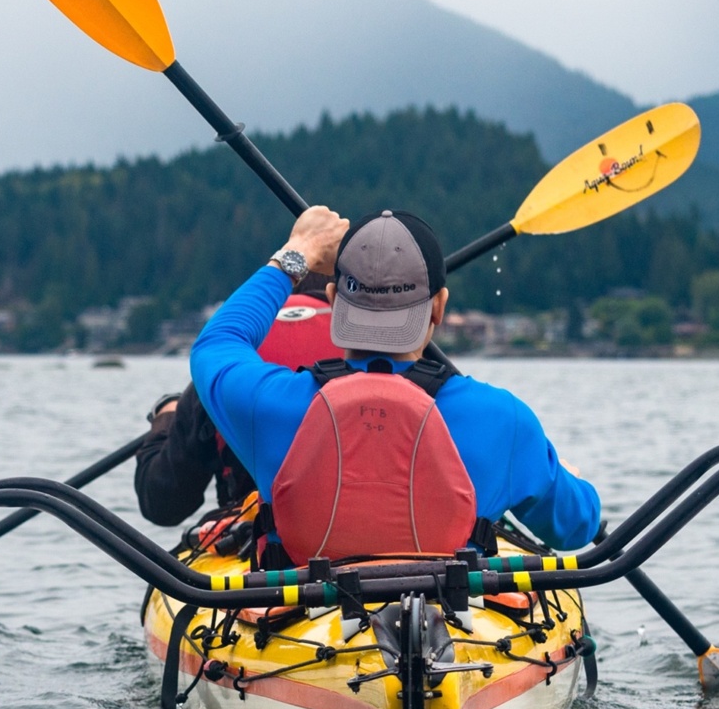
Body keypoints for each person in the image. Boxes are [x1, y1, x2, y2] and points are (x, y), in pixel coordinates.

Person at [190, 206, 601, 560]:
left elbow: (217, 343)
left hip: (301, 634)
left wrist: (298, 252)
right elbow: (575, 528)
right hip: (455, 637)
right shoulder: (503, 421)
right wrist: (561, 474)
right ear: (438, 308)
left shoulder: (271, 407)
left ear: (333, 301)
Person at [135, 274, 338, 527]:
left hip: (253, 538)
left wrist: (166, 418)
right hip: (350, 534)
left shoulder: (226, 368)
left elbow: (162, 503)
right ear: (334, 292)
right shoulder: (375, 359)